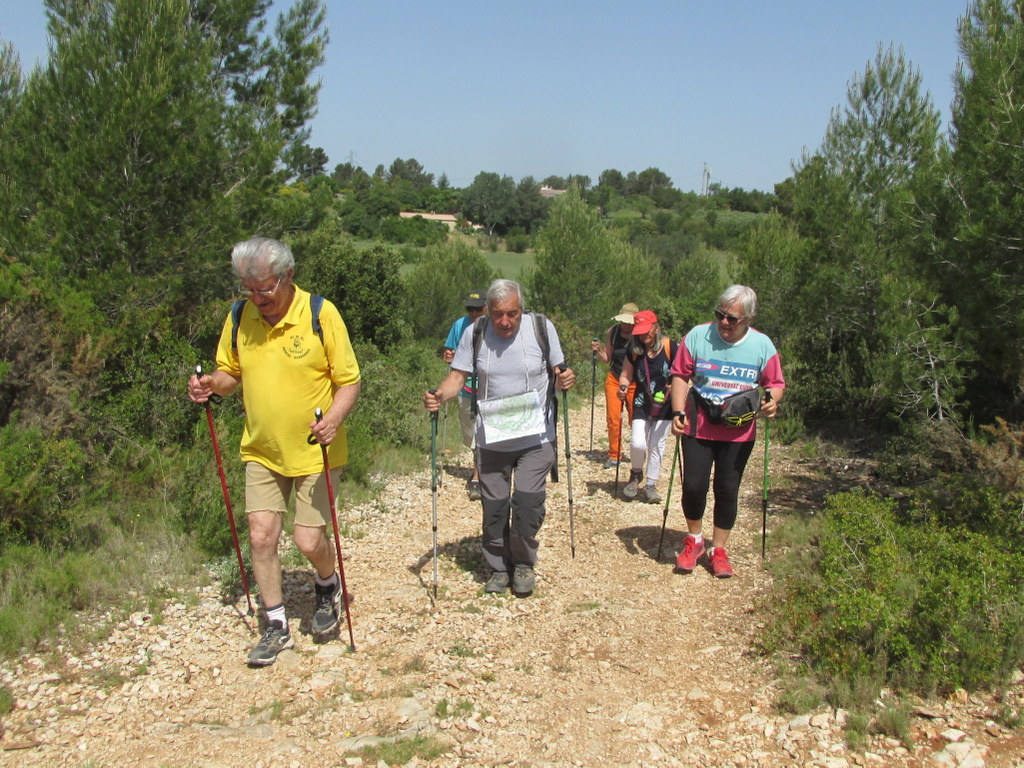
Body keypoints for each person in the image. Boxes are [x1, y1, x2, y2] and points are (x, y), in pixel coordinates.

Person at [187, 237, 361, 666]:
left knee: (307, 539)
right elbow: (230, 372)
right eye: (249, 289)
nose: (257, 298)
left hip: (315, 450)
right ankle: (276, 624)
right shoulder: (239, 316)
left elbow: (349, 381)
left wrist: (334, 419)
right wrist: (211, 385)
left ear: (287, 276)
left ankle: (327, 584)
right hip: (262, 448)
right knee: (262, 536)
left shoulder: (321, 313)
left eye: (264, 288)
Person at [423, 279, 574, 597]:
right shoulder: (474, 333)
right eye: (498, 315)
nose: (505, 322)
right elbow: (456, 377)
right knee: (494, 508)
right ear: (488, 312)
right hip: (492, 439)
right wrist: (439, 394)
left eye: (513, 313)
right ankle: (497, 568)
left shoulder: (542, 329)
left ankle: (522, 564)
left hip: (536, 437)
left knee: (528, 503)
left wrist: (565, 379)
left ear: (522, 308)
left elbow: (560, 371)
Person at [669, 285, 784, 578]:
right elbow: (680, 374)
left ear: (749, 318)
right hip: (698, 423)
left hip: (738, 430)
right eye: (720, 315)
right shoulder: (697, 336)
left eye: (732, 318)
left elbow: (775, 383)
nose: (724, 322)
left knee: (727, 489)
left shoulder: (762, 346)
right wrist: (677, 411)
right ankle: (694, 540)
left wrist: (772, 402)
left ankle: (718, 549)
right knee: (694, 485)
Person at [617, 310, 676, 504]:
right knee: (637, 443)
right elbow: (625, 374)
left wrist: (675, 385)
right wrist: (623, 387)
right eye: (640, 332)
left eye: (647, 331)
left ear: (656, 328)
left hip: (665, 404)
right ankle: (635, 474)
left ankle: (651, 484)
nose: (644, 336)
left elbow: (682, 374)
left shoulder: (670, 347)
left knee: (656, 446)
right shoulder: (634, 350)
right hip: (642, 402)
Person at [441, 290, 487, 500]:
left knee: (483, 434)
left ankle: (478, 477)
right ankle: (481, 470)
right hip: (466, 387)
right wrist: (448, 356)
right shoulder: (460, 325)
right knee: (471, 436)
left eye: (478, 308)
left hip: (489, 387)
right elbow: (449, 351)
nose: (474, 313)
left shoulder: (493, 325)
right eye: (471, 309)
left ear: (486, 307)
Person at [591, 302, 638, 469]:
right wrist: (598, 351)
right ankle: (614, 454)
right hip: (614, 378)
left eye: (628, 321)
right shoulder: (613, 332)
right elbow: (607, 358)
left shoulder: (640, 334)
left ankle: (638, 452)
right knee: (613, 418)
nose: (625, 324)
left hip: (635, 381)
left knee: (636, 419)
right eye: (623, 321)